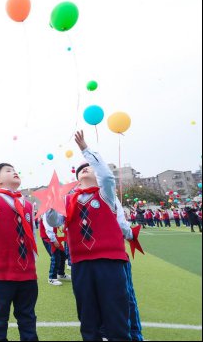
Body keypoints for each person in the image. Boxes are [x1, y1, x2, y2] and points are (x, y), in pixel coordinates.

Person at [46, 131, 134, 341]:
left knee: (115, 312)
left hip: (109, 261)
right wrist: (51, 204)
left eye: (89, 167)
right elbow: (54, 222)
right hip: (80, 263)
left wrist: (85, 149)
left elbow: (107, 176)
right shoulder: (68, 201)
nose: (85, 169)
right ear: (76, 179)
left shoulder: (105, 194)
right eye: (81, 170)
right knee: (87, 314)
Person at [0, 163, 39, 341]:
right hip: (0, 274)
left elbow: (32, 236)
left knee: (28, 318)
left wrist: (33, 261)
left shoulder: (28, 205)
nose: (14, 172)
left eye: (15, 169)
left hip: (27, 273)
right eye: (8, 170)